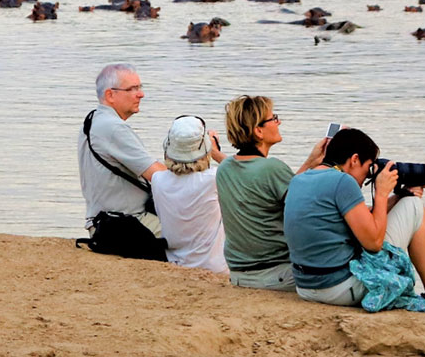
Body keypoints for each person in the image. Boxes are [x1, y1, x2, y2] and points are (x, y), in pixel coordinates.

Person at [282, 127, 425, 316]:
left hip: (306, 288)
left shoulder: (301, 179)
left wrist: (399, 196)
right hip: (339, 289)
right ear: (355, 159)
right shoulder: (342, 182)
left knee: (407, 201)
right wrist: (381, 193)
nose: (367, 177)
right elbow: (373, 243)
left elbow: (358, 218)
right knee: (414, 206)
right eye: (368, 168)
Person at [215, 95, 325, 290]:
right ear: (258, 131)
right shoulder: (272, 168)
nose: (278, 122)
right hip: (277, 274)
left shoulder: (225, 168)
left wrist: (310, 163)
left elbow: (276, 189)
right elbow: (309, 210)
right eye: (273, 118)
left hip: (240, 274)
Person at [76, 64, 169, 254]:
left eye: (140, 87)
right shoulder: (114, 128)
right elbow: (160, 177)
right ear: (110, 95)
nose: (141, 94)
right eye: (132, 89)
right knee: (197, 233)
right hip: (127, 223)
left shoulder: (92, 120)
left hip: (104, 221)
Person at [148, 116, 228, 273]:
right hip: (214, 267)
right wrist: (216, 152)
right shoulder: (214, 178)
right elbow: (244, 171)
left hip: (176, 264)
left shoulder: (158, 179)